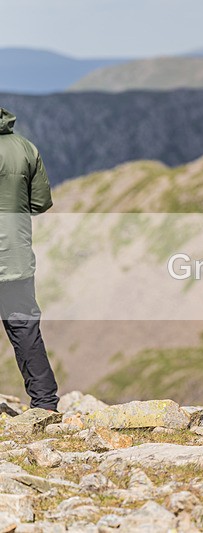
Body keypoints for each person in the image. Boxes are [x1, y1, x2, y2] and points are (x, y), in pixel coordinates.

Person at [0, 108, 59, 412]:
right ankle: (45, 405)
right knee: (25, 329)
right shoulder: (25, 147)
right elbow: (40, 202)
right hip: (16, 258)